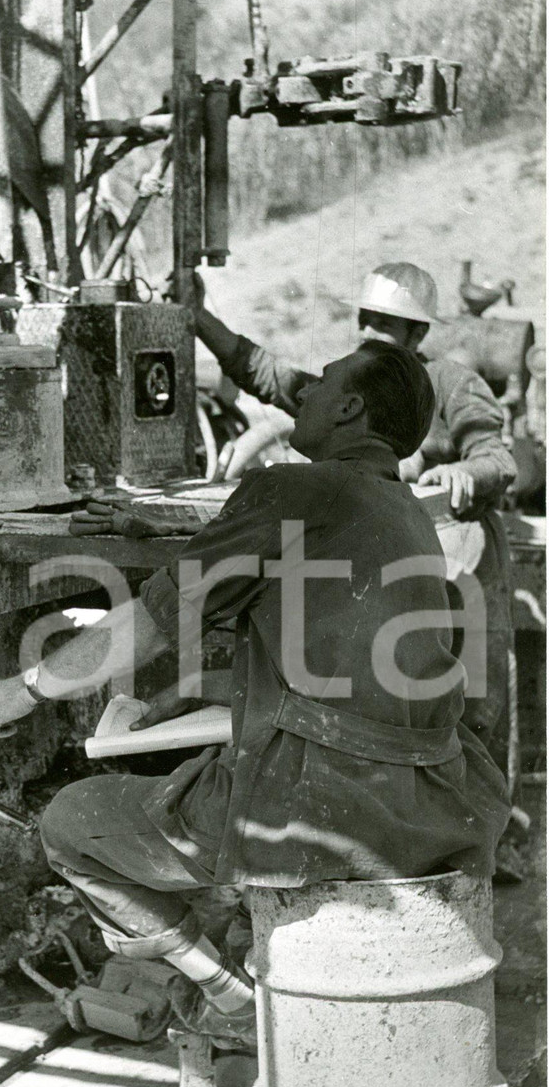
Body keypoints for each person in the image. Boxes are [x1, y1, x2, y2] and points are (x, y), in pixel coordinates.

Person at [0, 342, 511, 1045]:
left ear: (348, 408)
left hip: (321, 805)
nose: (302, 396)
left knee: (70, 823)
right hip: (426, 800)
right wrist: (198, 689)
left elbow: (156, 622)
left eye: (319, 384)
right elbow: (333, 661)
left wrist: (26, 687)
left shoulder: (294, 488)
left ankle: (232, 998)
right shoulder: (403, 508)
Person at [193, 262, 524, 878]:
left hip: (458, 559)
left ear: (418, 333)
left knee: (471, 704)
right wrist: (197, 318)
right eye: (366, 320)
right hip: (384, 565)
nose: (372, 332)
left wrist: (464, 473)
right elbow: (267, 373)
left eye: (389, 325)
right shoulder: (354, 388)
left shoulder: (452, 383)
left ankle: (487, 839)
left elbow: (498, 457)